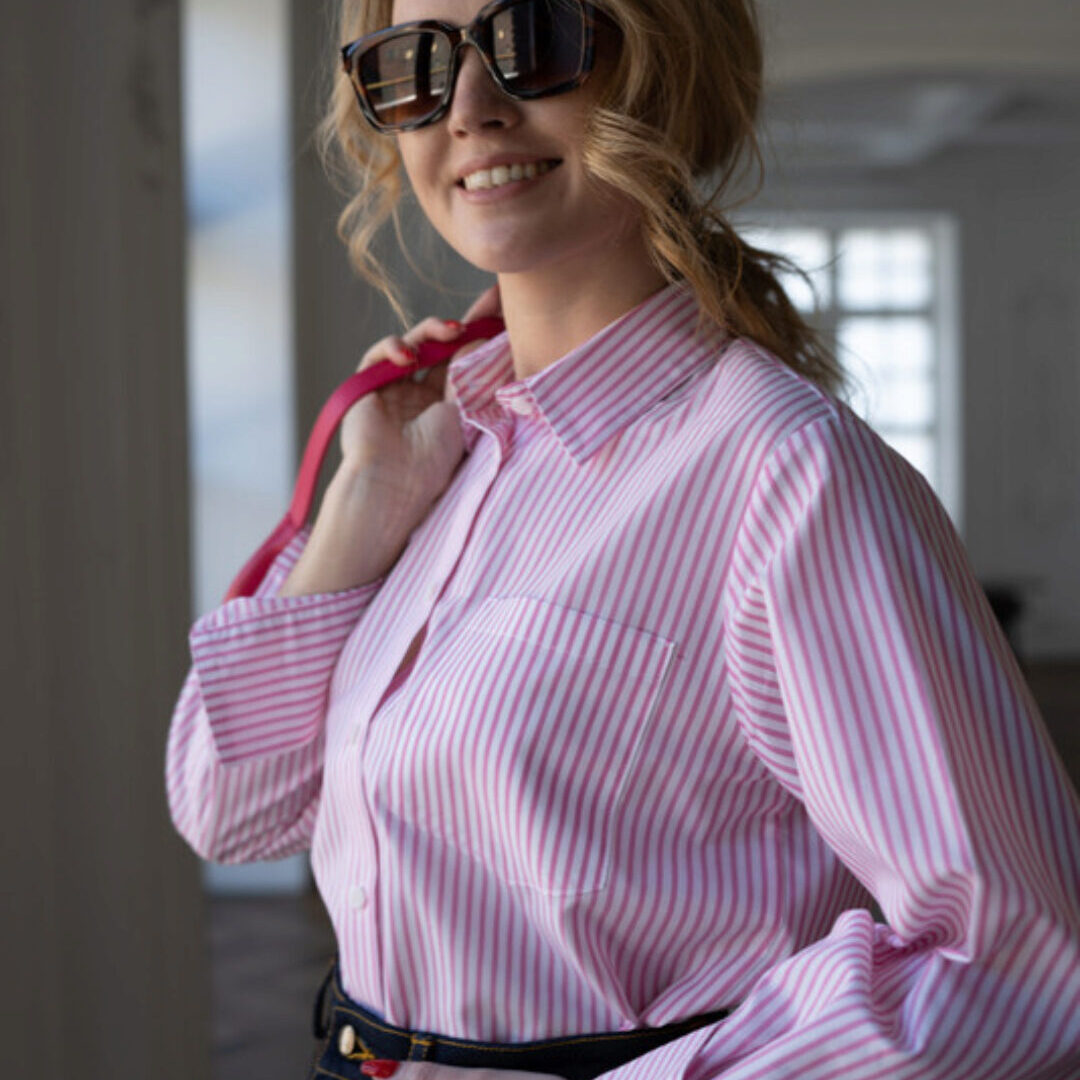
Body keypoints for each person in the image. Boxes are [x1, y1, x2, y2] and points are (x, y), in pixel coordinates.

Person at [166, 0, 1080, 1076]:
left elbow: (1019, 966)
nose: (469, 107)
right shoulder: (441, 456)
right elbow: (228, 810)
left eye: (536, 38)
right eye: (414, 63)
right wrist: (360, 510)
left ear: (667, 69)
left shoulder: (788, 475)